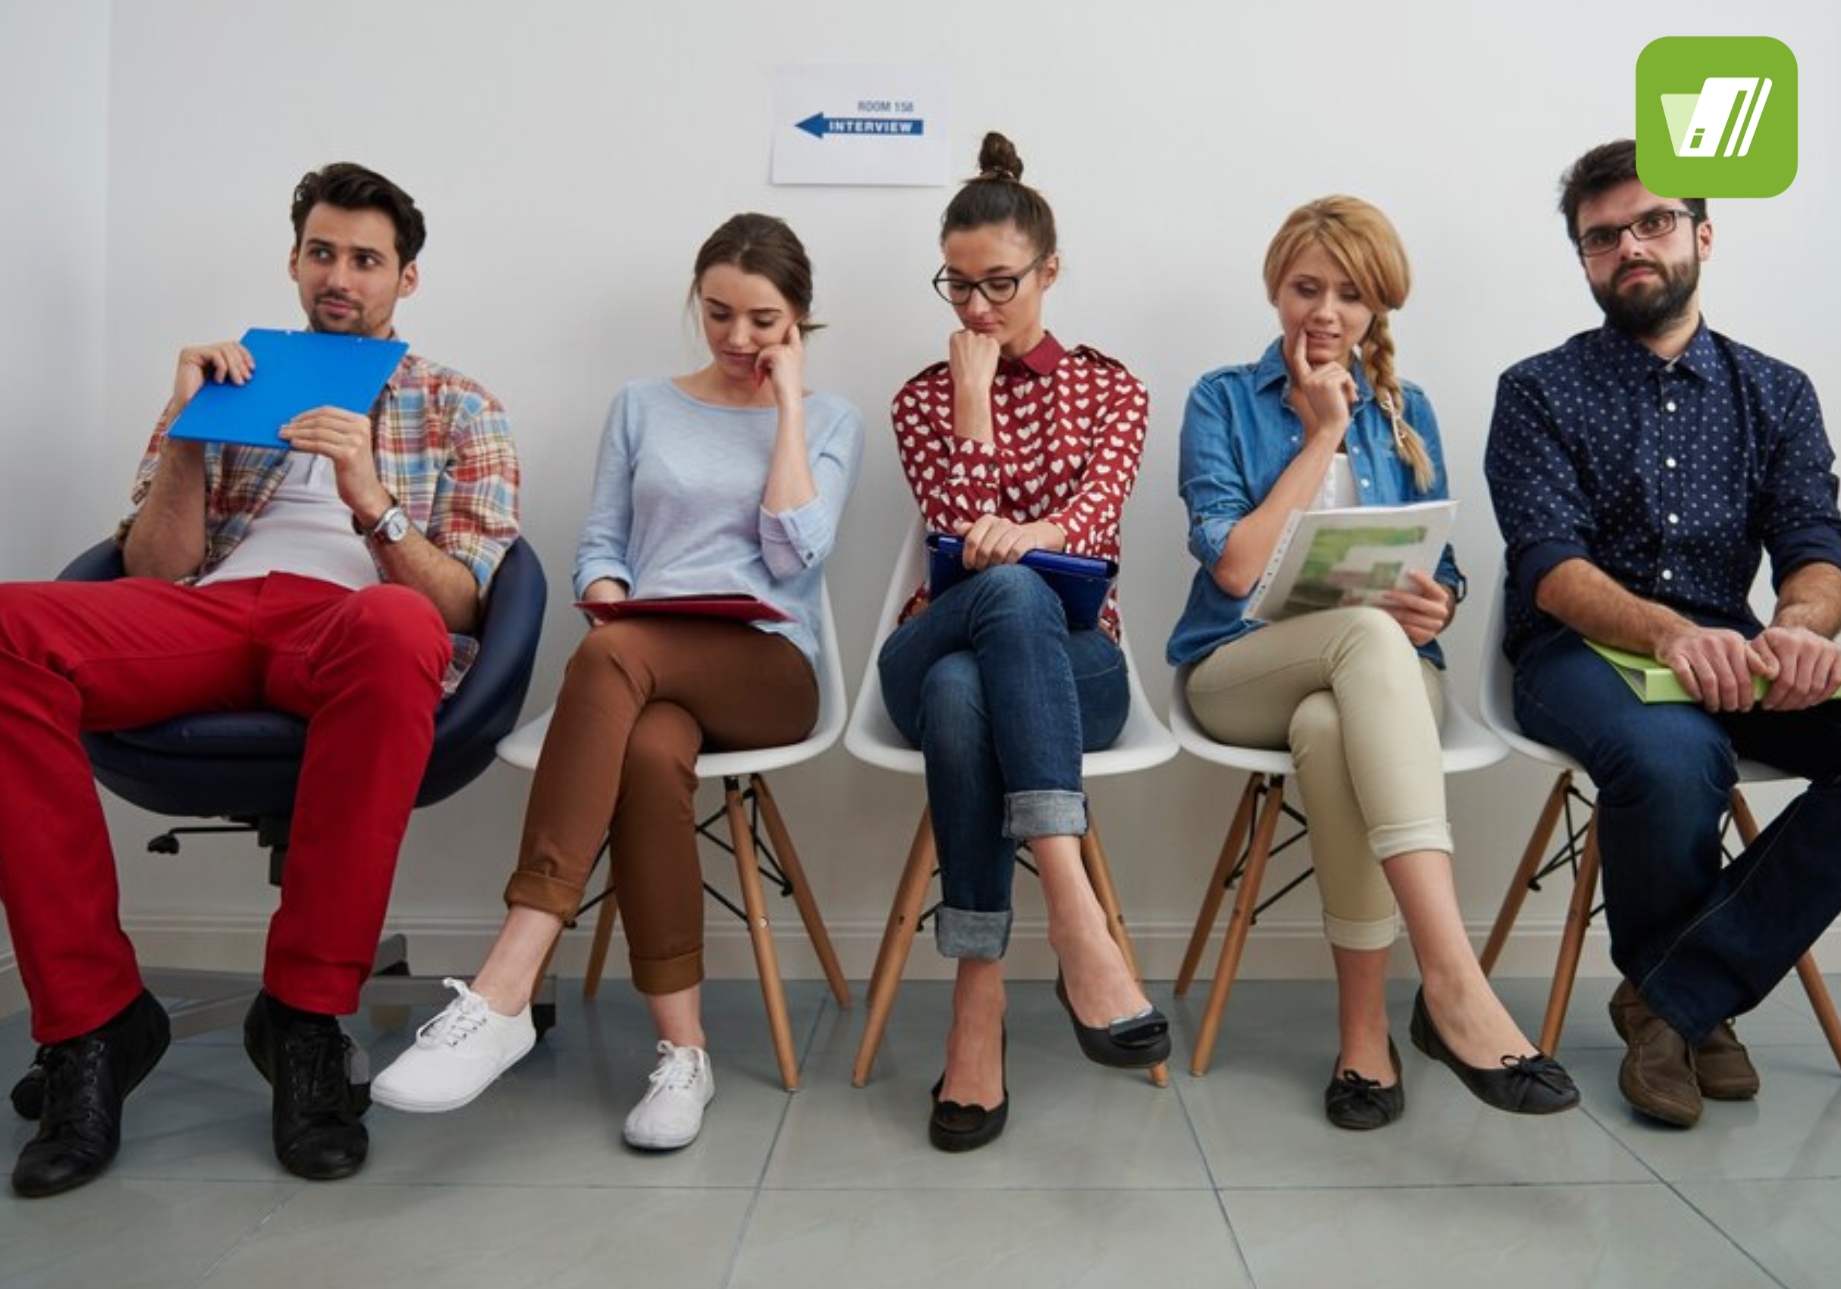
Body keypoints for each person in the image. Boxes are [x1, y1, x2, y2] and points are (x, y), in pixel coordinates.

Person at [0, 163, 521, 1196]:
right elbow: (152, 569)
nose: (340, 275)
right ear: (293, 260)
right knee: (8, 626)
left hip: (349, 622)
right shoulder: (231, 378)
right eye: (321, 252)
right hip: (210, 614)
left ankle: (303, 1018)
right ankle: (94, 1020)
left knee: (395, 624)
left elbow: (464, 603)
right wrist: (188, 427)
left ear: (404, 280)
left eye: (365, 260)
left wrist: (370, 496)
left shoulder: (460, 403)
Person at [370, 213, 861, 1152]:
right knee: (642, 743)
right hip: (645, 666)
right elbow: (602, 544)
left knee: (609, 656)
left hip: (766, 666)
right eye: (717, 313)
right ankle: (684, 1057)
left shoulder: (833, 419)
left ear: (798, 319)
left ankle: (507, 978)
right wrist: (606, 591)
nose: (736, 338)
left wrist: (789, 409)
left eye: (762, 320)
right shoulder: (641, 403)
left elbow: (799, 552)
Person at [1169, 196, 1578, 1128]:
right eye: (1306, 287)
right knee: (1361, 637)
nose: (1325, 311)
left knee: (1333, 716)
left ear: (1377, 305)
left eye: (1349, 294)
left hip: (1377, 683)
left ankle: (1364, 1037)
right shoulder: (1221, 398)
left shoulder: (1410, 408)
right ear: (1274, 287)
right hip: (1239, 669)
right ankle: (1453, 983)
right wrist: (1319, 436)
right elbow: (1232, 568)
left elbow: (1440, 564)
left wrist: (1441, 601)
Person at [1486, 139, 1841, 1128]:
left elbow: (1814, 546)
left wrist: (1804, 628)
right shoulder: (1537, 389)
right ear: (1584, 262)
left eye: (1649, 223)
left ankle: (1676, 993)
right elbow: (1550, 570)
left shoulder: (1776, 391)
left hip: (1737, 648)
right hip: (1579, 653)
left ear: (1700, 235)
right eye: (1601, 237)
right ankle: (1692, 1009)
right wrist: (1668, 633)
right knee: (1672, 753)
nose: (1627, 246)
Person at [878, 132, 1163, 1154]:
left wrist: (1029, 537)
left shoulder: (1113, 388)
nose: (973, 307)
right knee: (990, 599)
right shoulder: (920, 396)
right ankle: (1074, 916)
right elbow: (952, 541)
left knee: (969, 688)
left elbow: (1094, 522)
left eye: (997, 282)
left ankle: (975, 1003)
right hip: (929, 639)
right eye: (954, 286)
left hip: (1077, 664)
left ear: (1049, 268)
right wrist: (968, 399)